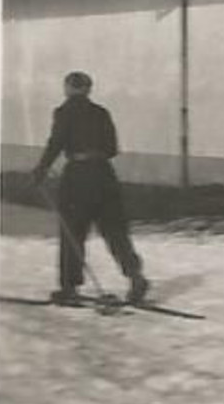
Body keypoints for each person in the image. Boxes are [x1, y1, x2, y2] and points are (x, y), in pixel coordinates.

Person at [29, 71, 151, 305]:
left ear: (68, 88)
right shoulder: (101, 113)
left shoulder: (64, 112)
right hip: (105, 174)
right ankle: (135, 276)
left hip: (78, 175)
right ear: (88, 89)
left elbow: (56, 143)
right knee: (115, 230)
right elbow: (112, 148)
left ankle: (69, 287)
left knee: (72, 231)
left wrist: (41, 170)